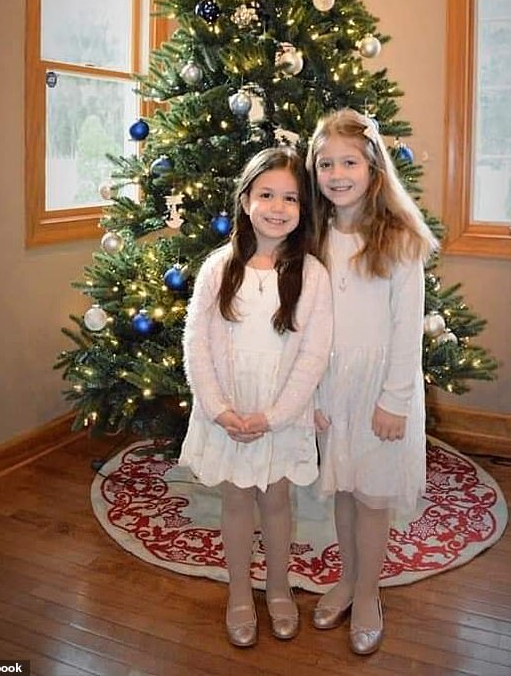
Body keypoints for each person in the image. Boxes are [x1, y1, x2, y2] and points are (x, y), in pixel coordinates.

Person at [179, 146, 332, 648]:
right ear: (246, 201)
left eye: (290, 198)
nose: (277, 206)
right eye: (266, 194)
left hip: (279, 414)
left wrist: (276, 416)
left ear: (302, 209)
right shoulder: (217, 269)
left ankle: (280, 587)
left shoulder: (312, 274)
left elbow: (314, 355)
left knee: (277, 499)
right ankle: (240, 591)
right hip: (228, 410)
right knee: (237, 500)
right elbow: (196, 345)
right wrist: (220, 409)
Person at [305, 108, 438, 656]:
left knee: (373, 495)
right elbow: (307, 325)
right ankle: (346, 577)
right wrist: (312, 393)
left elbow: (408, 332)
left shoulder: (400, 241)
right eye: (326, 163)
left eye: (349, 162)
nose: (337, 174)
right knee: (343, 484)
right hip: (333, 386)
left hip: (383, 387)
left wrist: (395, 400)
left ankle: (367, 594)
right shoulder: (313, 236)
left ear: (373, 167)